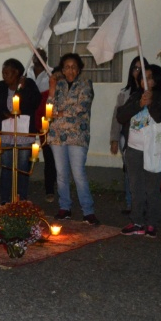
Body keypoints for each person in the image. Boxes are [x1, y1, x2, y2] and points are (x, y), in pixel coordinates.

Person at [115, 64, 161, 237]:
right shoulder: (135, 96)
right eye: (143, 78)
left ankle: (152, 222)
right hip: (134, 148)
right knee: (136, 187)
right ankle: (137, 221)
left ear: (156, 80)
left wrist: (152, 104)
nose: (145, 81)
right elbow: (121, 116)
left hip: (153, 150)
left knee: (152, 188)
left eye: (149, 77)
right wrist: (139, 104)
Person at [48, 53, 98, 225]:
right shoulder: (59, 84)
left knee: (78, 173)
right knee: (61, 174)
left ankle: (88, 210)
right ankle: (65, 207)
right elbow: (50, 108)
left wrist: (61, 113)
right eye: (67, 67)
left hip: (77, 135)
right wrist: (52, 88)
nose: (70, 70)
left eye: (73, 67)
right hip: (57, 135)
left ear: (79, 69)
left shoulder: (85, 84)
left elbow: (81, 107)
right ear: (62, 69)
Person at [0, 58, 41, 203]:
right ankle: (5, 199)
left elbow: (35, 102)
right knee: (6, 166)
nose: (4, 76)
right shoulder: (0, 86)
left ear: (16, 72)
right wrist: (6, 113)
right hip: (5, 132)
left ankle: (21, 199)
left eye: (7, 73)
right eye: (3, 73)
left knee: (23, 166)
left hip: (24, 131)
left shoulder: (28, 84)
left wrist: (24, 88)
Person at [111, 56, 149, 215]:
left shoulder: (150, 92)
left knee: (145, 171)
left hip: (145, 137)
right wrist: (113, 138)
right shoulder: (124, 93)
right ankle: (130, 203)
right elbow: (117, 117)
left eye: (141, 68)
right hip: (126, 136)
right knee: (129, 170)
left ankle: (144, 204)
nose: (138, 72)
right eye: (135, 68)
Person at [31, 49, 56, 202]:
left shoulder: (51, 74)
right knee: (24, 153)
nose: (38, 58)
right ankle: (21, 189)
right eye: (36, 55)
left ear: (46, 58)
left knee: (49, 154)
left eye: (42, 56)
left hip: (45, 120)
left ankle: (50, 189)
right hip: (28, 119)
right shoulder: (26, 73)